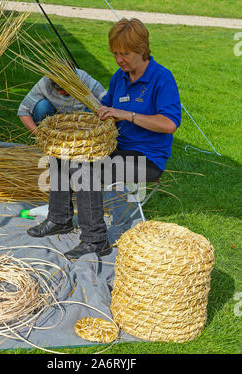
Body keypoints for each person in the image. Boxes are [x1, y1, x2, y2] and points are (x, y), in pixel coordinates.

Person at [27, 18, 181, 261]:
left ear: (142, 49)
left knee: (86, 169)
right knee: (63, 153)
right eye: (115, 53)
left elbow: (169, 124)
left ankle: (95, 240)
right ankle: (59, 219)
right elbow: (106, 108)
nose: (119, 60)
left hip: (147, 159)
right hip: (115, 148)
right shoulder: (119, 78)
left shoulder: (162, 78)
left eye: (125, 53)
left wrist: (128, 115)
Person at [18, 68, 107, 135]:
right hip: (57, 121)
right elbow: (23, 110)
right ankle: (47, 138)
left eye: (64, 89)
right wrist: (39, 134)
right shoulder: (46, 82)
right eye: (57, 89)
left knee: (96, 106)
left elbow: (106, 101)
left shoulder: (84, 80)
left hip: (83, 119)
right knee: (42, 106)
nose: (60, 92)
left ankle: (89, 139)